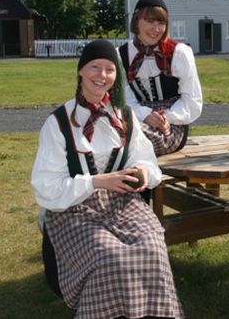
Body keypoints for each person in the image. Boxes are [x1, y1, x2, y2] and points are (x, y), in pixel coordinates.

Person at [31, 39, 184, 319]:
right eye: (95, 67)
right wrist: (97, 182)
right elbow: (45, 188)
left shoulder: (124, 116)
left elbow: (146, 160)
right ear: (80, 71)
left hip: (121, 204)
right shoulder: (59, 122)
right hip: (73, 210)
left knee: (153, 247)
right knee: (109, 257)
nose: (102, 76)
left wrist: (141, 175)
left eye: (110, 70)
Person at [120, 0, 203, 157]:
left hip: (171, 125)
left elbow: (193, 101)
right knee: (110, 130)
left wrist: (166, 117)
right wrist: (145, 115)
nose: (156, 29)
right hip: (136, 118)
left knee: (125, 138)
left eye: (161, 23)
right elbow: (124, 101)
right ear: (136, 21)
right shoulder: (122, 55)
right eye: (150, 22)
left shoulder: (179, 53)